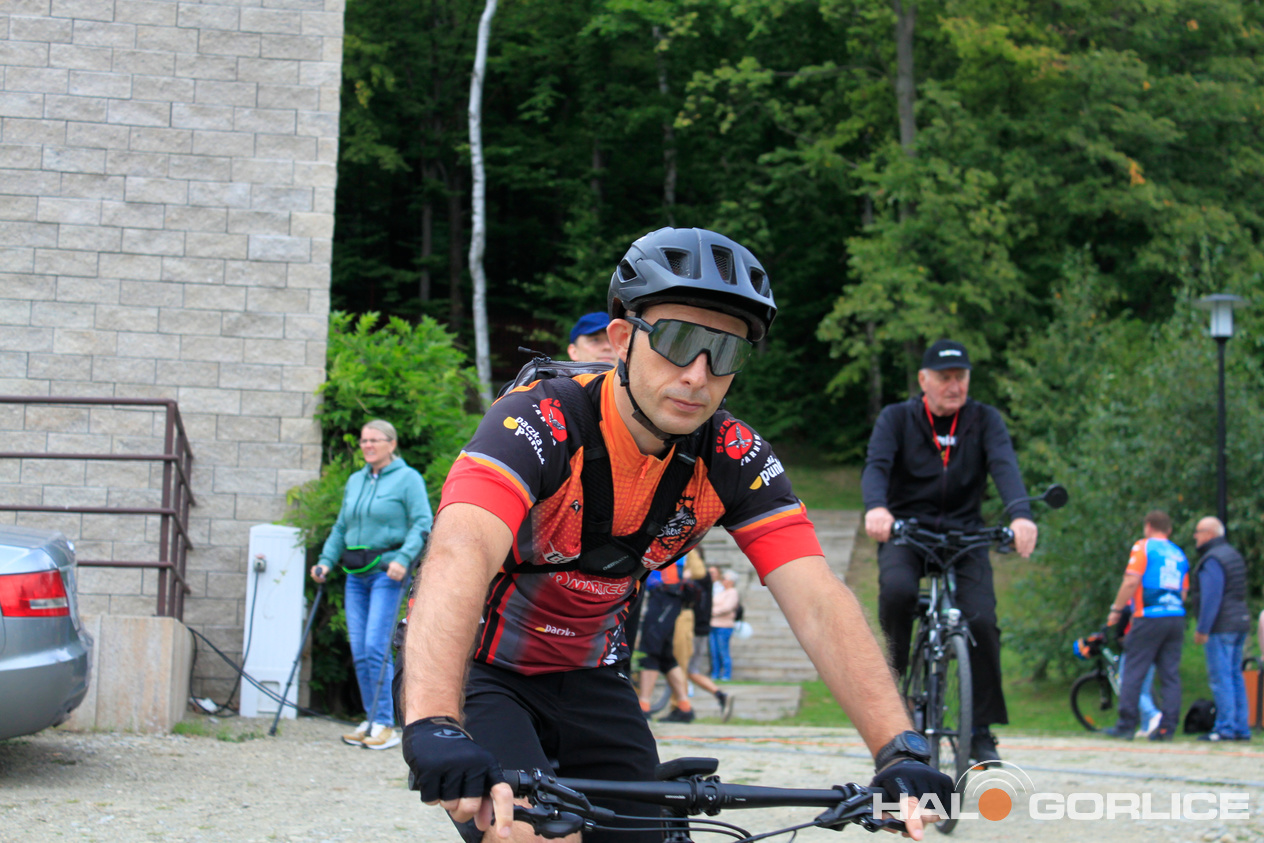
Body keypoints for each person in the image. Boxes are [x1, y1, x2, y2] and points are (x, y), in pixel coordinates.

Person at [397, 227, 953, 843]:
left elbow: (819, 600)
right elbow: (460, 552)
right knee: (533, 835)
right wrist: (435, 721)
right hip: (483, 669)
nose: (697, 374)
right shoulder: (539, 418)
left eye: (726, 352)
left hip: (592, 675)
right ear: (621, 340)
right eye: (678, 341)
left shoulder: (733, 456)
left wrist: (900, 749)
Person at [861, 339, 1039, 764]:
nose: (954, 385)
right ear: (924, 380)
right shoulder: (897, 418)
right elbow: (877, 466)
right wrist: (877, 508)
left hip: (965, 535)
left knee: (982, 620)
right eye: (944, 378)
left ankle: (980, 729)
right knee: (898, 593)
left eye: (961, 376)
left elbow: (1005, 466)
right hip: (907, 531)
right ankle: (895, 695)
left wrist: (1021, 516)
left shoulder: (984, 420)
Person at [311, 419, 432, 751]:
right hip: (355, 574)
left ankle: (385, 725)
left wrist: (403, 558)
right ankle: (371, 719)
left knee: (376, 646)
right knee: (361, 650)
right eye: (364, 441)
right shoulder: (356, 480)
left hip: (386, 573)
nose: (367, 446)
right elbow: (341, 527)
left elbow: (422, 522)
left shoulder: (408, 479)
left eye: (374, 440)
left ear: (391, 444)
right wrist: (325, 561)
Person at [1102, 510, 1189, 742]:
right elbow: (1183, 591)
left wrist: (1117, 610)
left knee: (1133, 670)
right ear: (1169, 530)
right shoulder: (1179, 554)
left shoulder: (1144, 547)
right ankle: (1167, 728)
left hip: (1149, 615)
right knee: (1170, 674)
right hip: (1176, 616)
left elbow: (1131, 580)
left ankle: (1126, 725)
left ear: (1148, 526)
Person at [1190, 516, 1253, 742]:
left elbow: (1212, 596)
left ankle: (1225, 727)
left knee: (1221, 677)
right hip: (1239, 621)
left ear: (1209, 534)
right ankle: (1241, 727)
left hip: (1221, 624)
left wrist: (1203, 628)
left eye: (1198, 532)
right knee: (1235, 675)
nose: (1195, 537)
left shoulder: (1212, 559)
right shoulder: (1233, 554)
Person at [710, 570, 739, 681]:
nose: (723, 581)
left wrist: (711, 612)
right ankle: (715, 673)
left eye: (725, 579)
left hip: (724, 626)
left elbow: (727, 607)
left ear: (731, 581)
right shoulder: (721, 592)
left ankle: (726, 674)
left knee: (723, 651)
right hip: (713, 624)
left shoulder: (732, 592)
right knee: (714, 651)